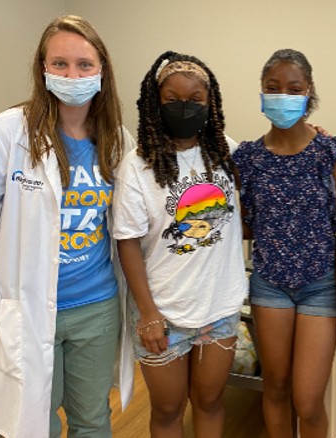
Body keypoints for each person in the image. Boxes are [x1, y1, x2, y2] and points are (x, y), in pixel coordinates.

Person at [0, 15, 135, 438]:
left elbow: (135, 217)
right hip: (26, 307)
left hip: (96, 307)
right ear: (42, 69)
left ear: (102, 71)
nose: (73, 75)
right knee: (33, 424)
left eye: (84, 65)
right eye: (60, 64)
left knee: (92, 419)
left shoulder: (117, 140)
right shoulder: (4, 134)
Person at [112, 51, 248, 437]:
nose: (185, 108)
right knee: (168, 409)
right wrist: (149, 313)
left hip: (218, 306)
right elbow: (127, 243)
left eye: (196, 100)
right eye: (172, 100)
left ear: (211, 104)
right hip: (162, 311)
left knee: (210, 402)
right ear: (156, 104)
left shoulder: (226, 153)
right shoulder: (136, 167)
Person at [232, 48, 336, 437]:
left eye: (294, 88)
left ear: (309, 93)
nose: (283, 95)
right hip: (269, 284)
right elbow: (242, 224)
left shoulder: (332, 152)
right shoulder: (248, 158)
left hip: (319, 288)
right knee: (273, 387)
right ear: (261, 93)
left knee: (308, 400)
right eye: (273, 88)